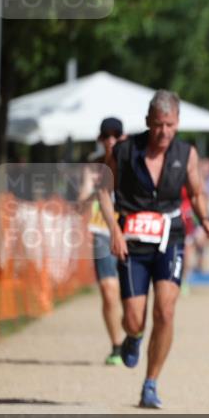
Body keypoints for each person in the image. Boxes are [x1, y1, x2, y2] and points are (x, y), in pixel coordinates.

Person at [98, 90, 209, 408]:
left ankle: (151, 383)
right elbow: (102, 190)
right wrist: (114, 230)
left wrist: (206, 219)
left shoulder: (186, 153)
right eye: (159, 125)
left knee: (165, 310)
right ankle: (133, 337)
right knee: (134, 319)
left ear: (177, 124)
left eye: (171, 125)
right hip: (132, 242)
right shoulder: (124, 151)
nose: (164, 132)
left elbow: (197, 191)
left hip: (170, 239)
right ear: (148, 122)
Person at [79, 117, 125, 365]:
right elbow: (80, 203)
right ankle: (116, 345)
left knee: (128, 293)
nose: (110, 140)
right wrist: (92, 191)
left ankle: (132, 332)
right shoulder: (93, 167)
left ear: (122, 137)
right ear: (100, 139)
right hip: (101, 231)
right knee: (109, 291)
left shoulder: (130, 163)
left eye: (115, 135)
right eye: (106, 136)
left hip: (129, 231)